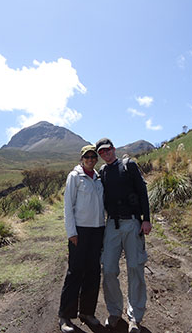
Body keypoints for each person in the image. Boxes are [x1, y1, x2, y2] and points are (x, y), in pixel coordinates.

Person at [96, 137, 152, 333]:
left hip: (133, 223)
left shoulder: (129, 166)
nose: (106, 154)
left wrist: (146, 219)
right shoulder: (102, 172)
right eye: (101, 152)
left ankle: (134, 317)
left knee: (135, 268)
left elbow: (142, 191)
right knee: (109, 268)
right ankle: (114, 313)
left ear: (113, 149)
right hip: (112, 224)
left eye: (107, 150)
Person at [58, 145, 105, 333]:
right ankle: (65, 316)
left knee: (93, 272)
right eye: (87, 156)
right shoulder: (74, 177)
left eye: (93, 156)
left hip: (97, 231)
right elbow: (68, 207)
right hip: (80, 232)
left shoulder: (99, 178)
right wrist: (72, 232)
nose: (91, 159)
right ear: (81, 158)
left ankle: (87, 312)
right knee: (75, 272)